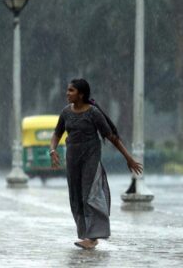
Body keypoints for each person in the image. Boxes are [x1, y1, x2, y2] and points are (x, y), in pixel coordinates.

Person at [50, 78, 143, 250]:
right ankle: (86, 234)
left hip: (90, 159)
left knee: (89, 195)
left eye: (71, 91)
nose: (67, 93)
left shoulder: (93, 113)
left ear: (81, 94)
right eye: (67, 90)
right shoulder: (65, 112)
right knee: (76, 197)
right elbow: (57, 133)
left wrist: (128, 158)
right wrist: (53, 150)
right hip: (72, 160)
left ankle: (93, 237)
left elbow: (111, 137)